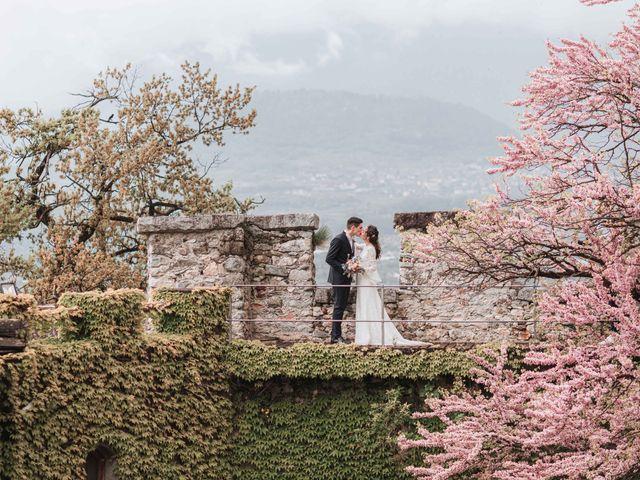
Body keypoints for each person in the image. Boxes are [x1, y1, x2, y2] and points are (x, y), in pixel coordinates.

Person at [355, 225, 427, 346]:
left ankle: (372, 335)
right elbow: (359, 246)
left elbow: (373, 267)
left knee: (369, 304)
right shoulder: (367, 246)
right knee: (365, 304)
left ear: (368, 236)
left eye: (363, 231)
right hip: (362, 281)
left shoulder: (371, 249)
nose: (361, 232)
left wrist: (359, 267)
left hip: (366, 281)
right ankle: (366, 332)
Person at [325, 216, 363, 344]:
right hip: (339, 279)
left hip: (346, 279)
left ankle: (336, 335)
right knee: (338, 307)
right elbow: (329, 259)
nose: (361, 231)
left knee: (341, 306)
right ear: (353, 227)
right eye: (360, 228)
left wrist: (352, 266)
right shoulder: (339, 239)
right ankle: (335, 337)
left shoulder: (351, 241)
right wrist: (344, 267)